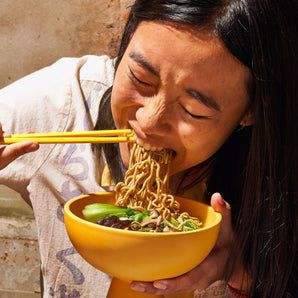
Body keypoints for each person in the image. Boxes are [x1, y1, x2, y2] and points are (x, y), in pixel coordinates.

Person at [0, 0, 296, 297]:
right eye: (141, 78)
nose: (149, 121)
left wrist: (241, 272)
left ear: (253, 110)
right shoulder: (67, 105)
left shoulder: (280, 171)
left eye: (194, 110)